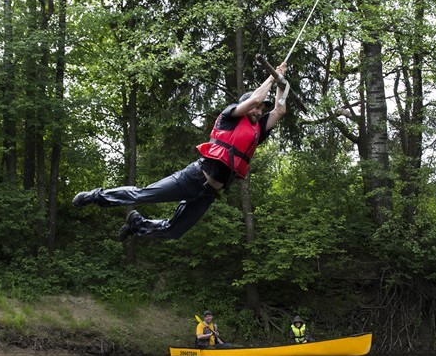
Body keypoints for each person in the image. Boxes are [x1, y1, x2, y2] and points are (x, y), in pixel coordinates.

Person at [72, 62, 289, 240]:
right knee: (142, 194)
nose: (259, 110)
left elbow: (279, 110)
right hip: (193, 177)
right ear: (244, 106)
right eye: (256, 108)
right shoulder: (230, 116)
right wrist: (272, 77)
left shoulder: (256, 131)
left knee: (174, 231)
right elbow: (256, 98)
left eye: (261, 109)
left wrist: (282, 84)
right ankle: (96, 196)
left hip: (208, 194)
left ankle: (137, 225)